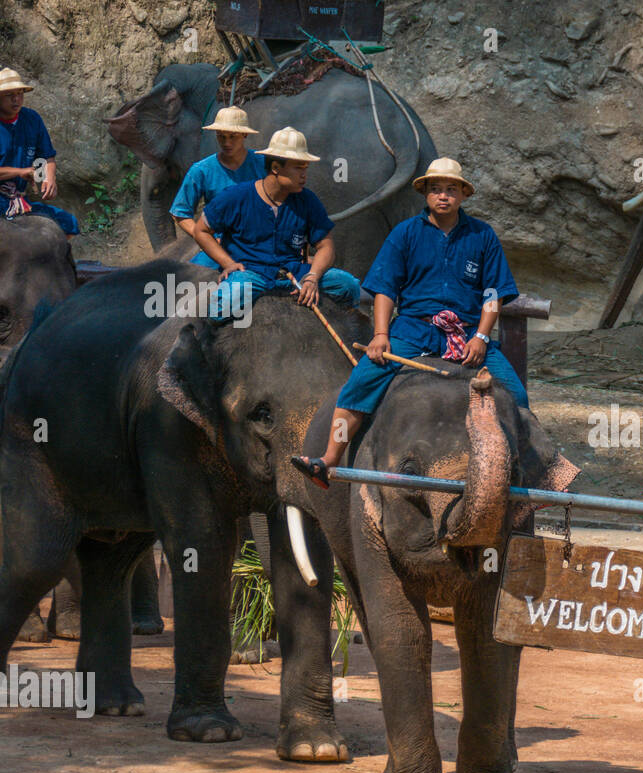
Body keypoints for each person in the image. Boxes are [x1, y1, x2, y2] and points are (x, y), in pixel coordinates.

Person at [293, 157, 523, 488]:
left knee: (515, 394)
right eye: (436, 190)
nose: (443, 196)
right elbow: (385, 288)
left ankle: (527, 476)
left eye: (451, 190)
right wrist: (381, 335)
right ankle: (328, 460)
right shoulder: (405, 234)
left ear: (463, 195)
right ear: (426, 194)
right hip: (414, 329)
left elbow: (493, 294)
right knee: (362, 380)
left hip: (467, 332)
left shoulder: (482, 235)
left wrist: (482, 339)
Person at [191, 126, 361, 318]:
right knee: (221, 308)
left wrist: (312, 277)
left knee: (348, 286)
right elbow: (201, 230)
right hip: (250, 273)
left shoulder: (307, 200)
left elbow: (326, 246)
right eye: (298, 168)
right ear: (275, 168)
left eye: (306, 168)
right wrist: (228, 263)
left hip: (295, 272)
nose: (304, 175)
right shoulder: (236, 196)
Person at [169, 105, 265, 267]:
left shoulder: (262, 165)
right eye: (221, 137)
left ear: (245, 134)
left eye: (232, 136)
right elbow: (180, 213)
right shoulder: (201, 170)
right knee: (189, 278)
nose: (226, 142)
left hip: (259, 242)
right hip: (221, 245)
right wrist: (207, 240)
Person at [0, 68, 79, 236]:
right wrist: (20, 172)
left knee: (68, 224)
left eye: (20, 93)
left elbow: (47, 155)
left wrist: (49, 177)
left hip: (18, 200)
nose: (16, 99)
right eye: (9, 95)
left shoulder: (32, 119)